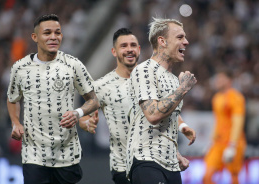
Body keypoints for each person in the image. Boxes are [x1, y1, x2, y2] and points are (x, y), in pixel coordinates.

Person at [79, 28, 196, 184]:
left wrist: (182, 127)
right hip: (123, 165)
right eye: (124, 46)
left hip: (151, 157)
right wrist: (86, 123)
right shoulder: (102, 86)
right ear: (114, 51)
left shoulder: (149, 76)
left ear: (139, 49)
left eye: (133, 45)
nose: (129, 50)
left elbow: (162, 107)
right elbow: (84, 112)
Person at [6, 14, 99, 184]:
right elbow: (12, 98)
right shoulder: (20, 68)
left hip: (67, 153)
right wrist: (15, 122)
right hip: (34, 154)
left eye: (58, 33)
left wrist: (78, 114)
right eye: (47, 33)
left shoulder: (73, 64)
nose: (53, 37)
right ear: (35, 37)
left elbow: (93, 100)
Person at [126, 18, 197, 184]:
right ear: (162, 41)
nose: (186, 42)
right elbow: (153, 114)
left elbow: (168, 114)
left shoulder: (173, 79)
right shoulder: (144, 70)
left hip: (171, 162)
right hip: (147, 159)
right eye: (180, 37)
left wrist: (181, 129)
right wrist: (183, 89)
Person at [203, 69, 246, 184]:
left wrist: (233, 145)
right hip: (218, 142)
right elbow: (218, 122)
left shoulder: (236, 97)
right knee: (207, 177)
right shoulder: (216, 98)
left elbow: (238, 122)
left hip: (232, 143)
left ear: (229, 80)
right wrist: (211, 142)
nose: (217, 81)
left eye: (221, 78)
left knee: (234, 178)